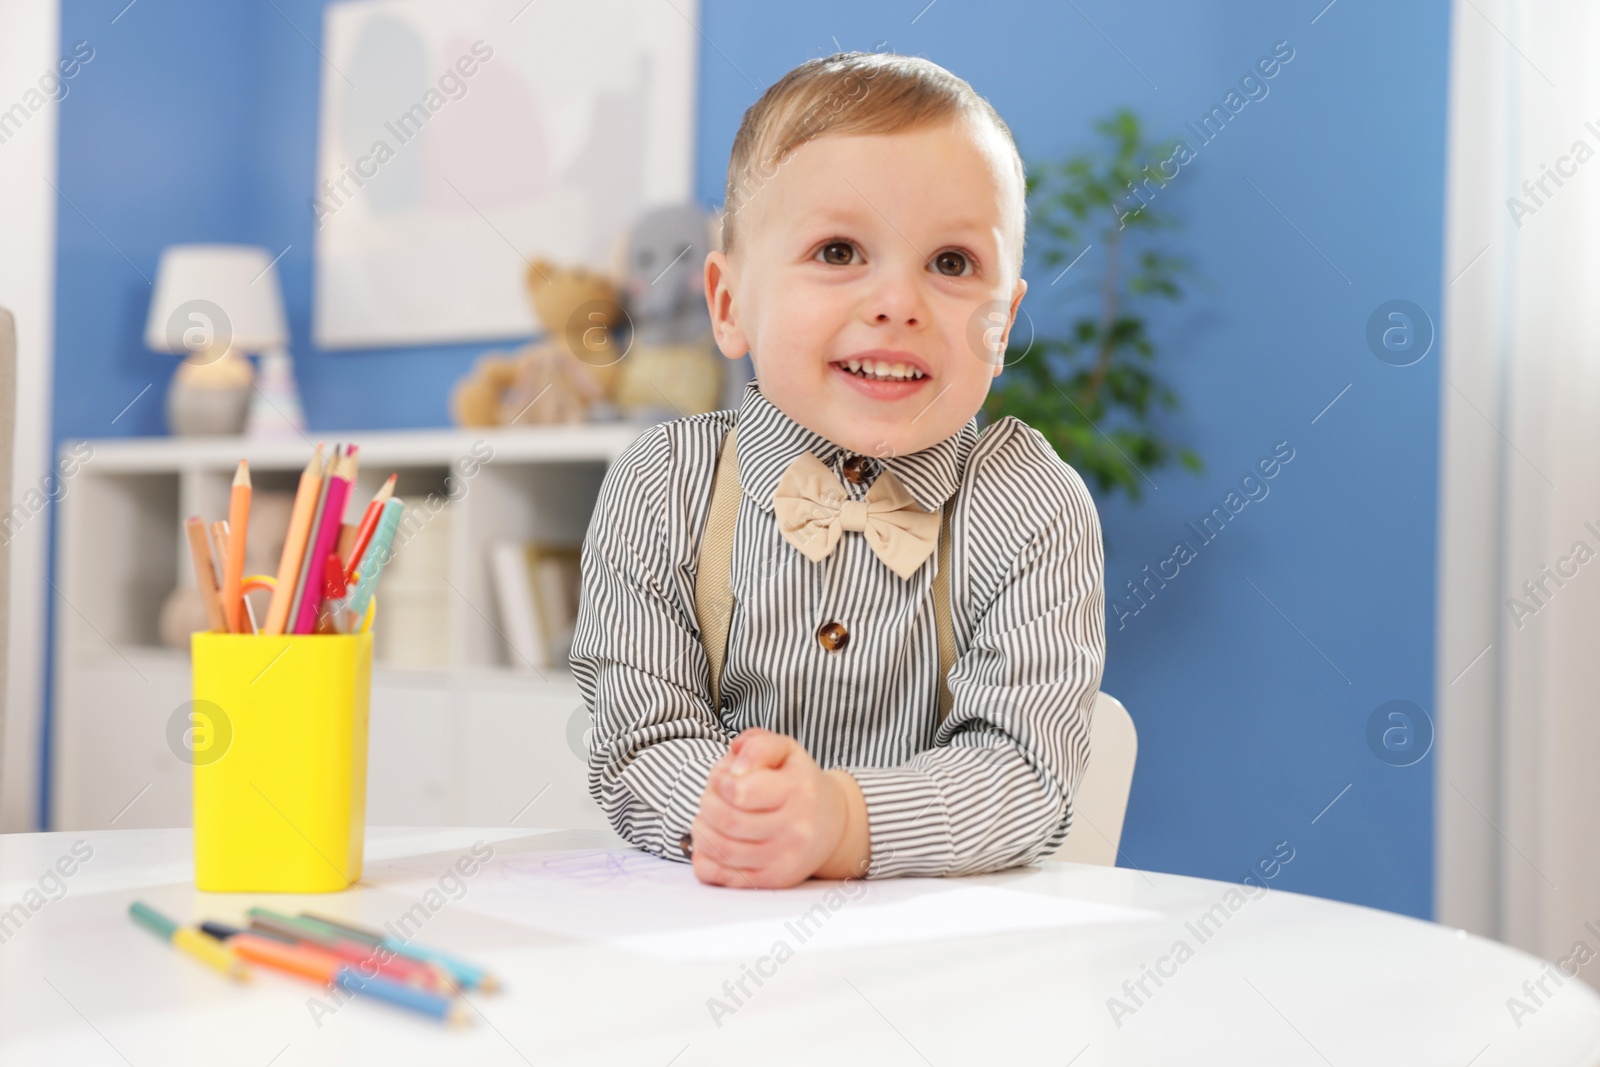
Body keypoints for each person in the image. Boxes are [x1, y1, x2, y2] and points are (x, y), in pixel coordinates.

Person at [569, 51, 1106, 889]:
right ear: (728, 303)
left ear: (1002, 326)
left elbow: (1025, 771)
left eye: (953, 263)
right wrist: (739, 812)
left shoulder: (1032, 505)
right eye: (839, 250)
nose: (899, 301)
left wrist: (844, 821)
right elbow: (639, 737)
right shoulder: (663, 486)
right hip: (712, 928)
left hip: (943, 960)